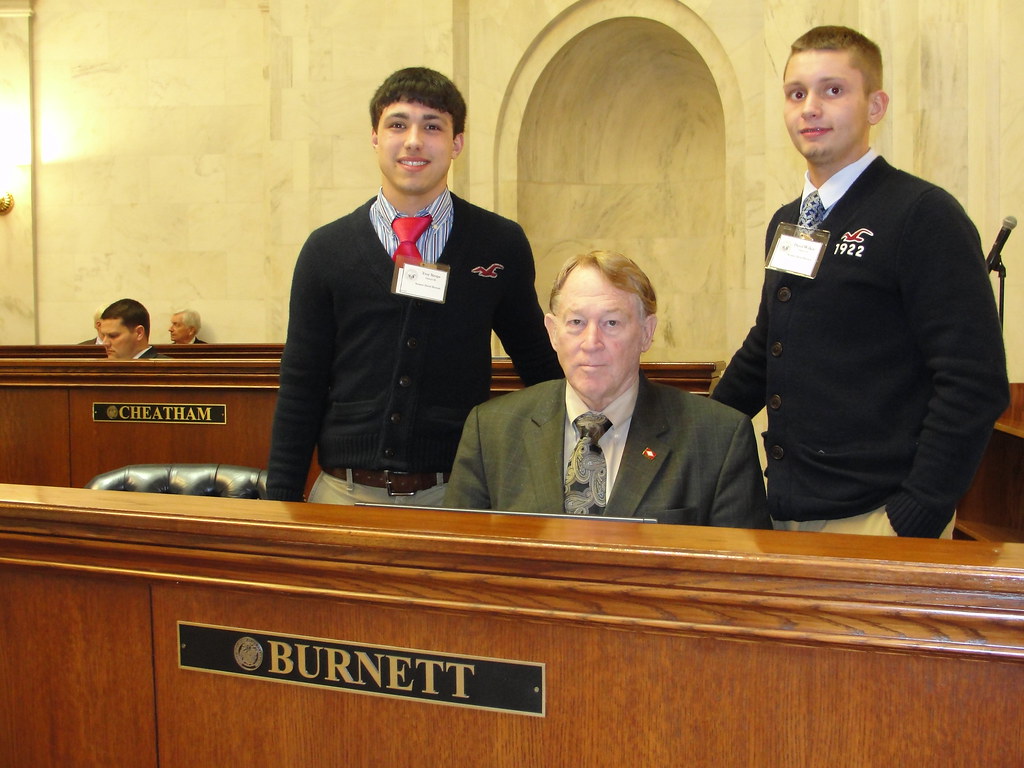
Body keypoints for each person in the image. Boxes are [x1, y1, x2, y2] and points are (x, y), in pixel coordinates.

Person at [710, 26, 1009, 538]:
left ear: (875, 106)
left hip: (879, 517)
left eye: (833, 90)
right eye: (796, 93)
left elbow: (974, 382)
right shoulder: (789, 221)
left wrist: (917, 512)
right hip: (782, 508)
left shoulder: (922, 215)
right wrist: (693, 434)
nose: (810, 108)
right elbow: (767, 348)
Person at [265, 67, 562, 505]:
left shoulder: (499, 243)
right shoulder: (325, 249)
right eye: (398, 124)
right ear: (374, 136)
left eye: (433, 126)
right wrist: (281, 502)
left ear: (457, 142)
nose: (413, 141)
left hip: (455, 495)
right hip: (342, 495)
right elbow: (301, 382)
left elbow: (540, 367)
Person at [444, 250, 771, 528]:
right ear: (552, 332)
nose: (591, 343)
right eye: (576, 323)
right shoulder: (491, 431)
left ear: (646, 332)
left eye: (611, 323)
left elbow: (739, 585)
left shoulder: (718, 438)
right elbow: (457, 565)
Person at [98, 299, 172, 360]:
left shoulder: (169, 369)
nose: (105, 343)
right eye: (103, 335)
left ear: (139, 333)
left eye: (113, 336)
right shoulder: (102, 369)